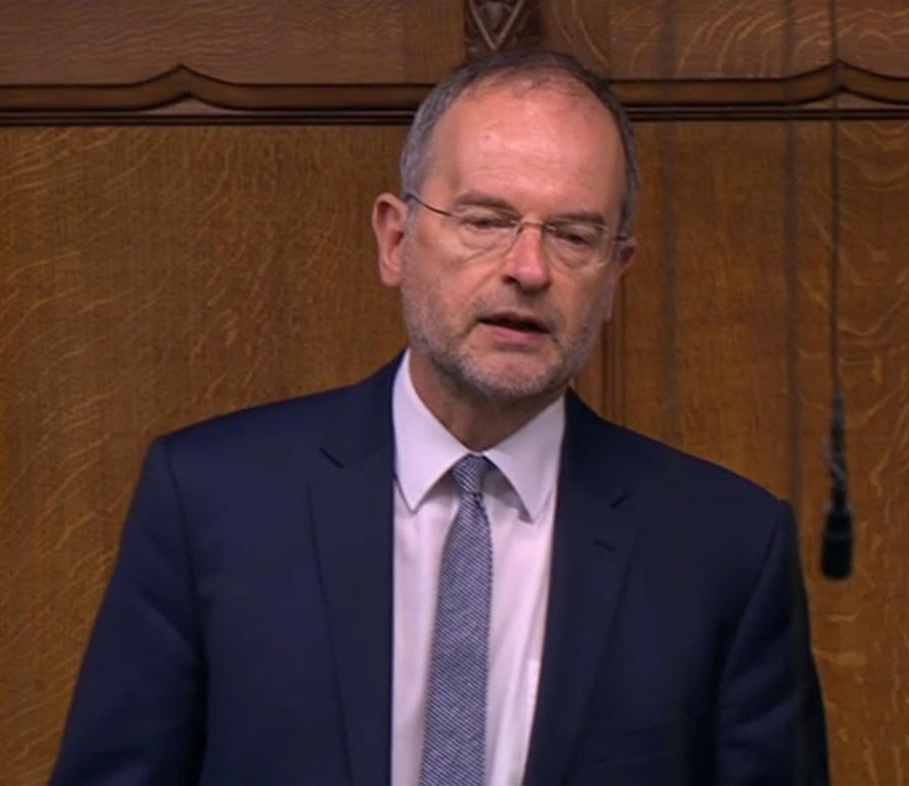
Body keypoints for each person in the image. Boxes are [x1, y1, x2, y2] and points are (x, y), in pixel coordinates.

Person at [51, 49, 828, 785]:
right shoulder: (211, 501)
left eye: (573, 235)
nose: (529, 269)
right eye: (485, 220)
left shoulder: (724, 548)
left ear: (615, 274)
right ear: (396, 239)